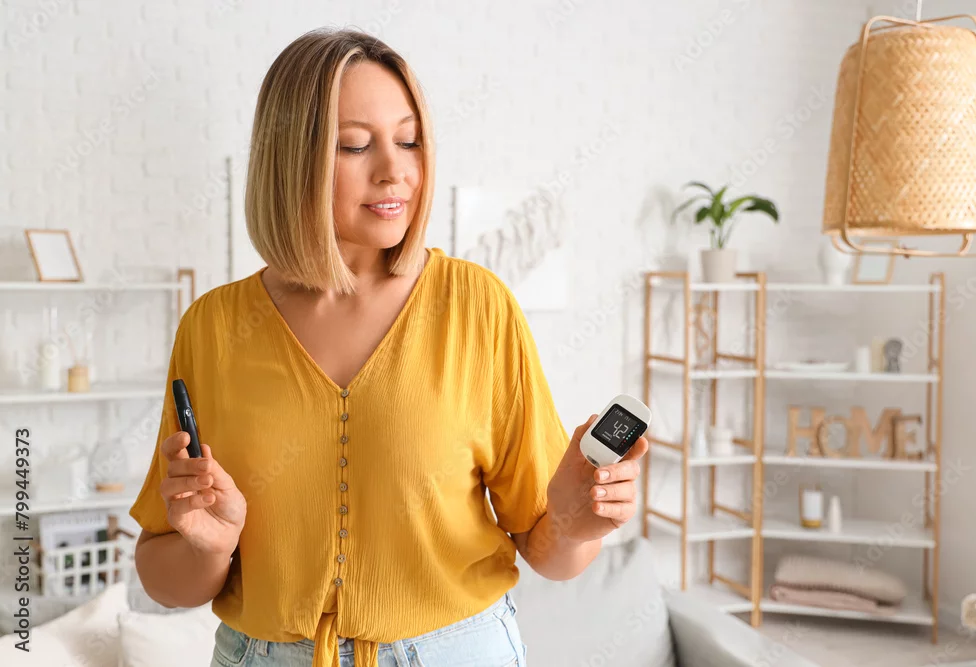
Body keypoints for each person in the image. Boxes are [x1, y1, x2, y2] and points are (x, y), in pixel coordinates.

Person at [128, 27, 648, 667]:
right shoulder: (212, 327)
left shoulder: (478, 307)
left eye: (409, 140)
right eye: (354, 145)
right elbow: (163, 578)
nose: (395, 170)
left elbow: (551, 555)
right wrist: (209, 546)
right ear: (289, 159)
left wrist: (575, 522)